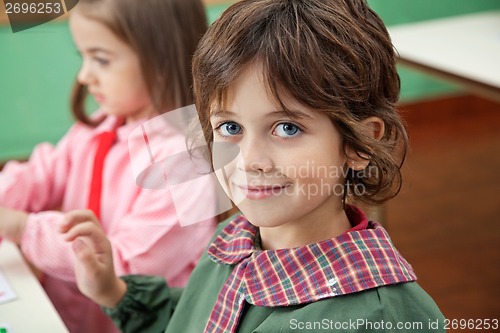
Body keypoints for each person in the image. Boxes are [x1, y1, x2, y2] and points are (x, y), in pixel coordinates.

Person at [61, 0, 446, 332]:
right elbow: (197, 320)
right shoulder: (236, 237)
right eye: (230, 127)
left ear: (362, 143)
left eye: (287, 128)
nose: (250, 160)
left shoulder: (380, 318)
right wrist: (112, 289)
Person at [0, 0, 216, 332]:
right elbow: (38, 176)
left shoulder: (185, 165)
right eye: (82, 56)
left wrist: (25, 229)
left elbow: (125, 266)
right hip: (62, 320)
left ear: (160, 59)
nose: (84, 76)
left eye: (100, 59)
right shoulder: (100, 125)